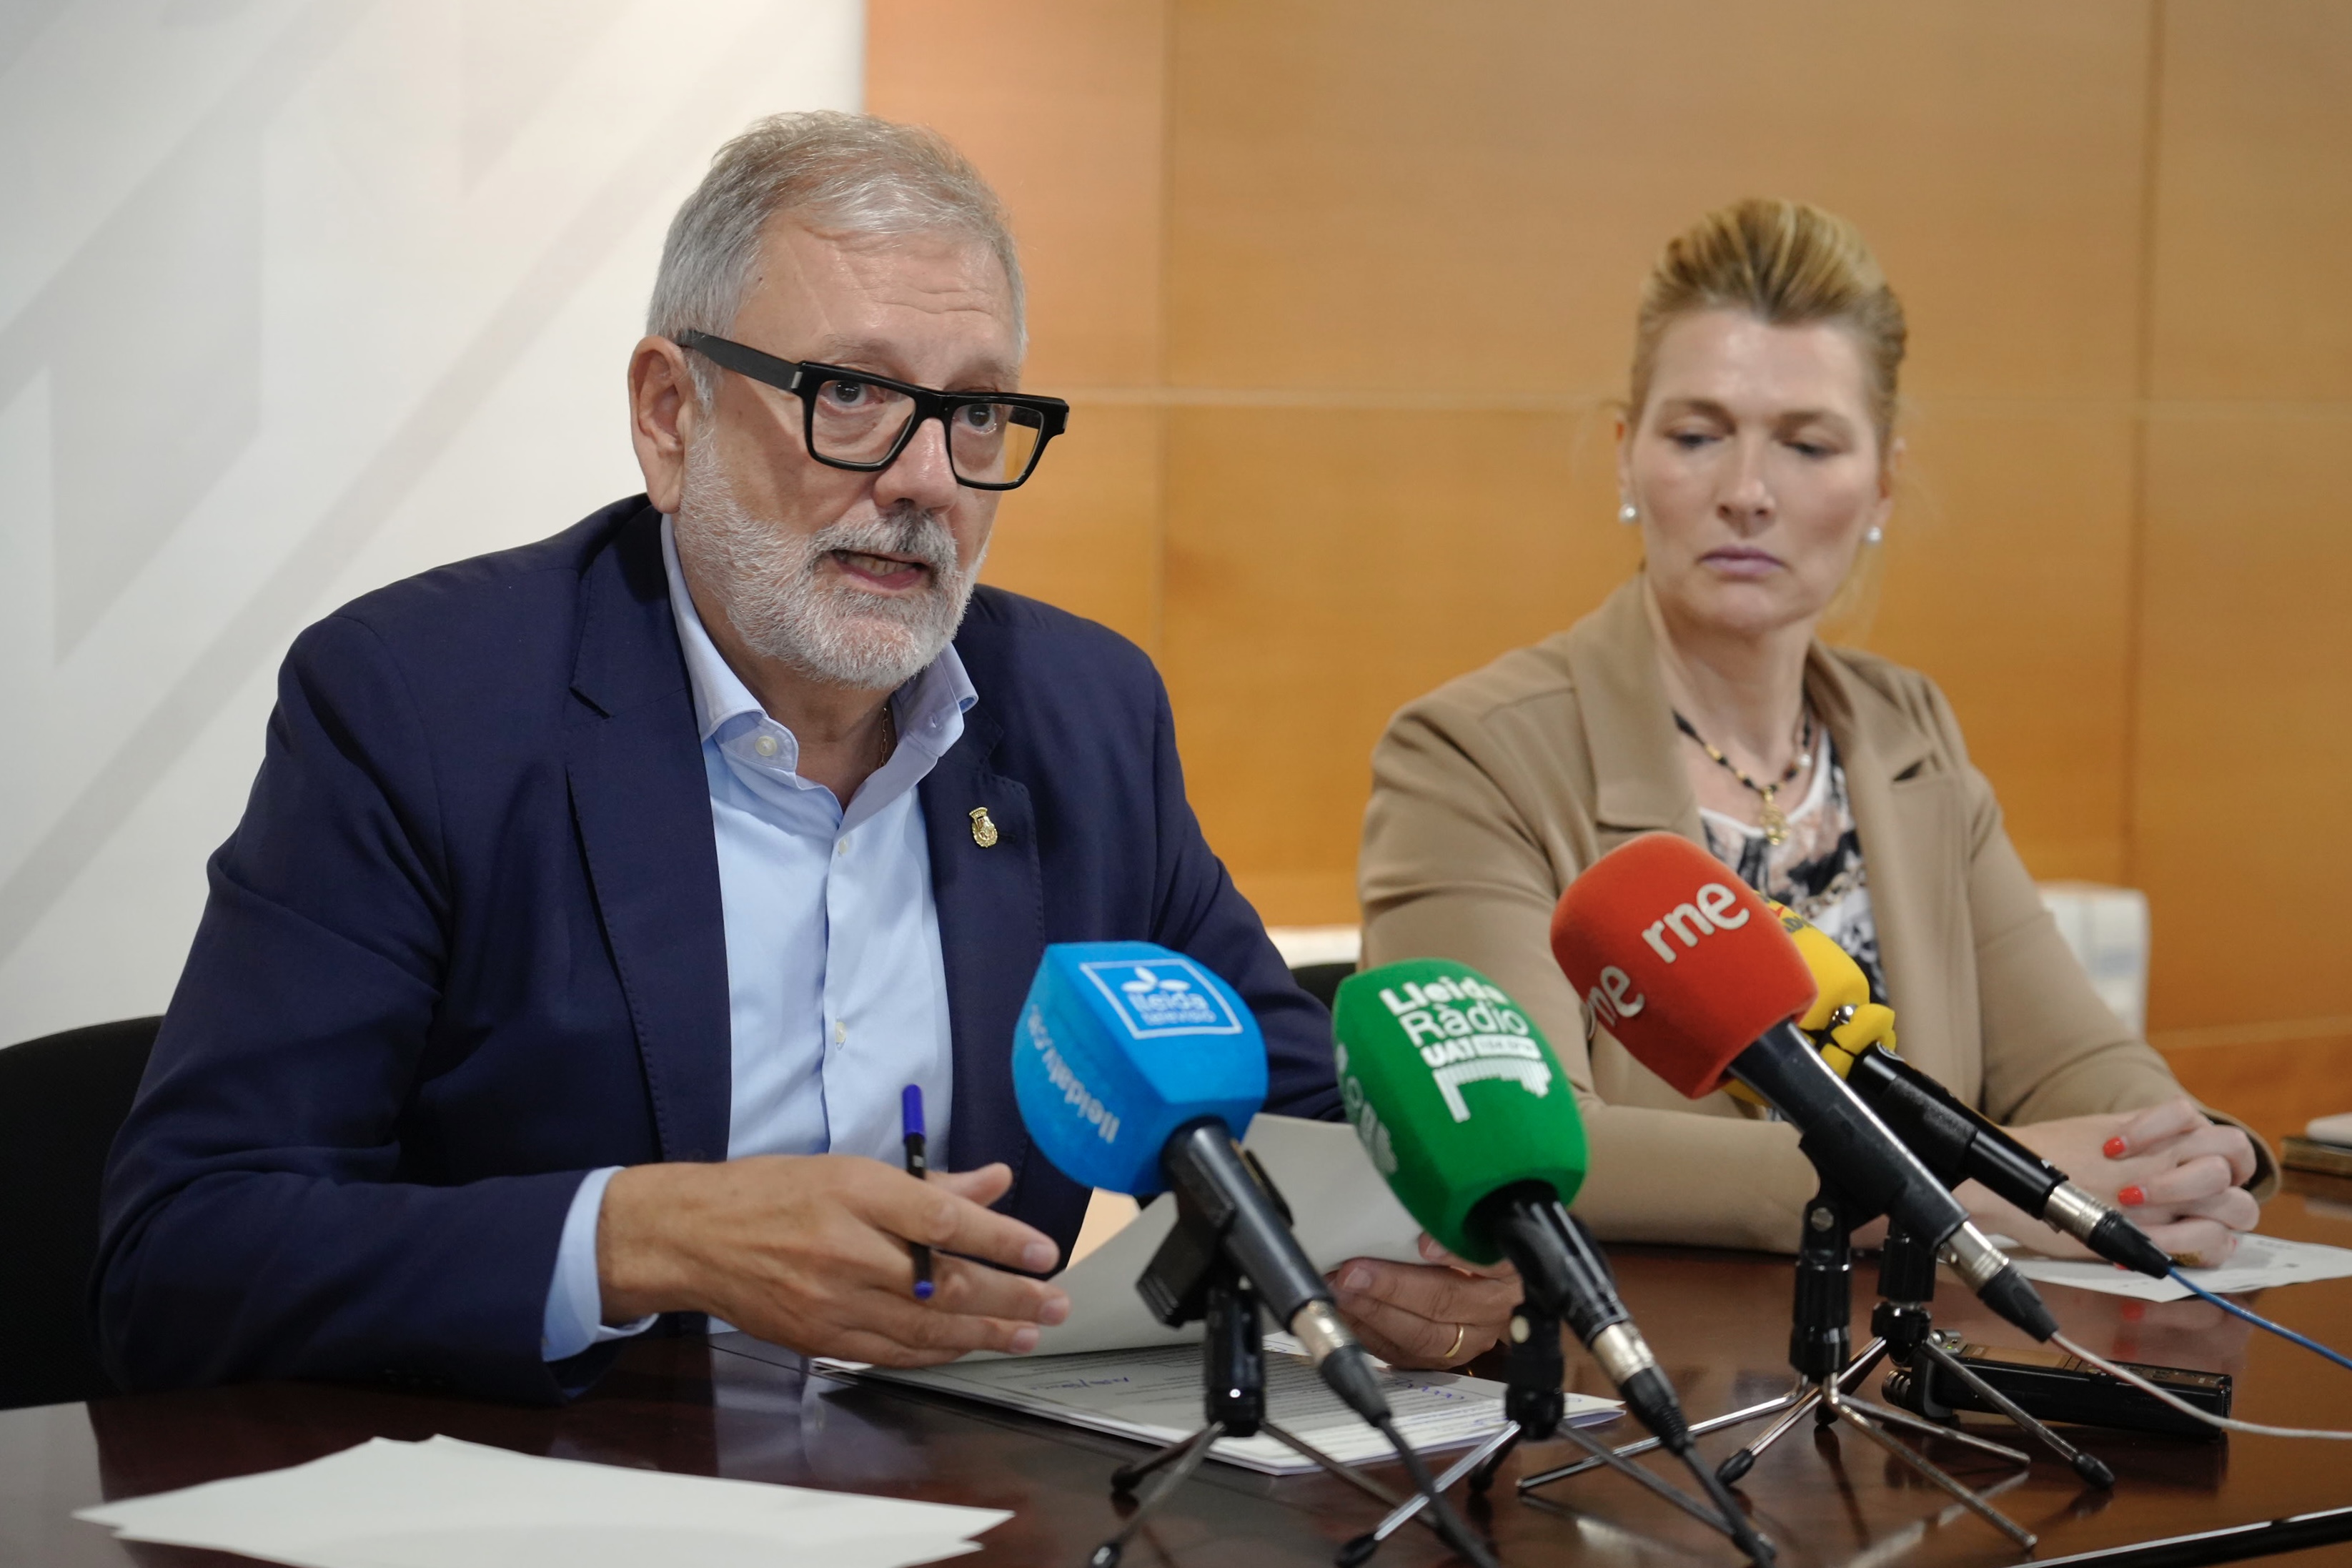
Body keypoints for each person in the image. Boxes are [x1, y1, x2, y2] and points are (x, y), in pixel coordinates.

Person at [97, 111, 1514, 1403]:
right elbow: (182, 1254)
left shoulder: (1082, 714)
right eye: (851, 394)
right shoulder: (422, 704)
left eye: (977, 411)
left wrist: (1433, 1258)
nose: (926, 479)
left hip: (972, 1490)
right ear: (670, 415)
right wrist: (642, 1237)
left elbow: (1299, 1123)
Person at [1359, 198, 2273, 1264]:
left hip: (1918, 1343)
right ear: (1625, 456)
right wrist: (1962, 1187)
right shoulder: (1471, 754)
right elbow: (1533, 1145)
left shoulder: (1905, 733)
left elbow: (2079, 1068)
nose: (1748, 492)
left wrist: (2179, 1156)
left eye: (1807, 444)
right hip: (1636, 1349)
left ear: (1881, 483)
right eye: (1697, 436)